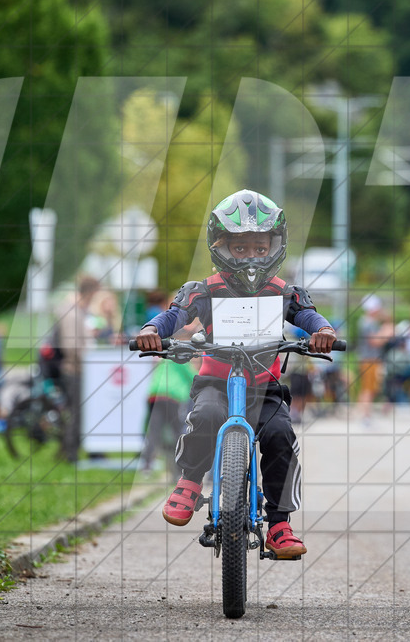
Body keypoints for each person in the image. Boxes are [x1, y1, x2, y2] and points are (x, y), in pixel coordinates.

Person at [135, 189, 337, 559]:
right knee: (206, 416)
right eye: (240, 248)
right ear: (220, 246)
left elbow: (308, 316)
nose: (250, 257)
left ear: (275, 246)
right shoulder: (204, 290)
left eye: (260, 248)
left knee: (280, 435)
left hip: (266, 387)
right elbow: (174, 316)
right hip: (215, 383)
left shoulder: (284, 292)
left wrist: (321, 333)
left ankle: (279, 522)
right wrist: (153, 331)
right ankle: (190, 481)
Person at [54, 274, 101, 462]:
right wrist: (87, 360)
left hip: (79, 369)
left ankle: (70, 450)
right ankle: (70, 453)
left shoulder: (79, 311)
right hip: (74, 369)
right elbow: (71, 347)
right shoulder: (72, 313)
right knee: (76, 412)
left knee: (78, 411)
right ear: (89, 292)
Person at [356, 294, 389, 421]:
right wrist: (386, 332)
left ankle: (362, 413)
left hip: (370, 359)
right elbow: (374, 341)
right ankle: (365, 416)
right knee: (368, 389)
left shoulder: (369, 322)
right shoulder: (367, 322)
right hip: (369, 360)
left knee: (369, 388)